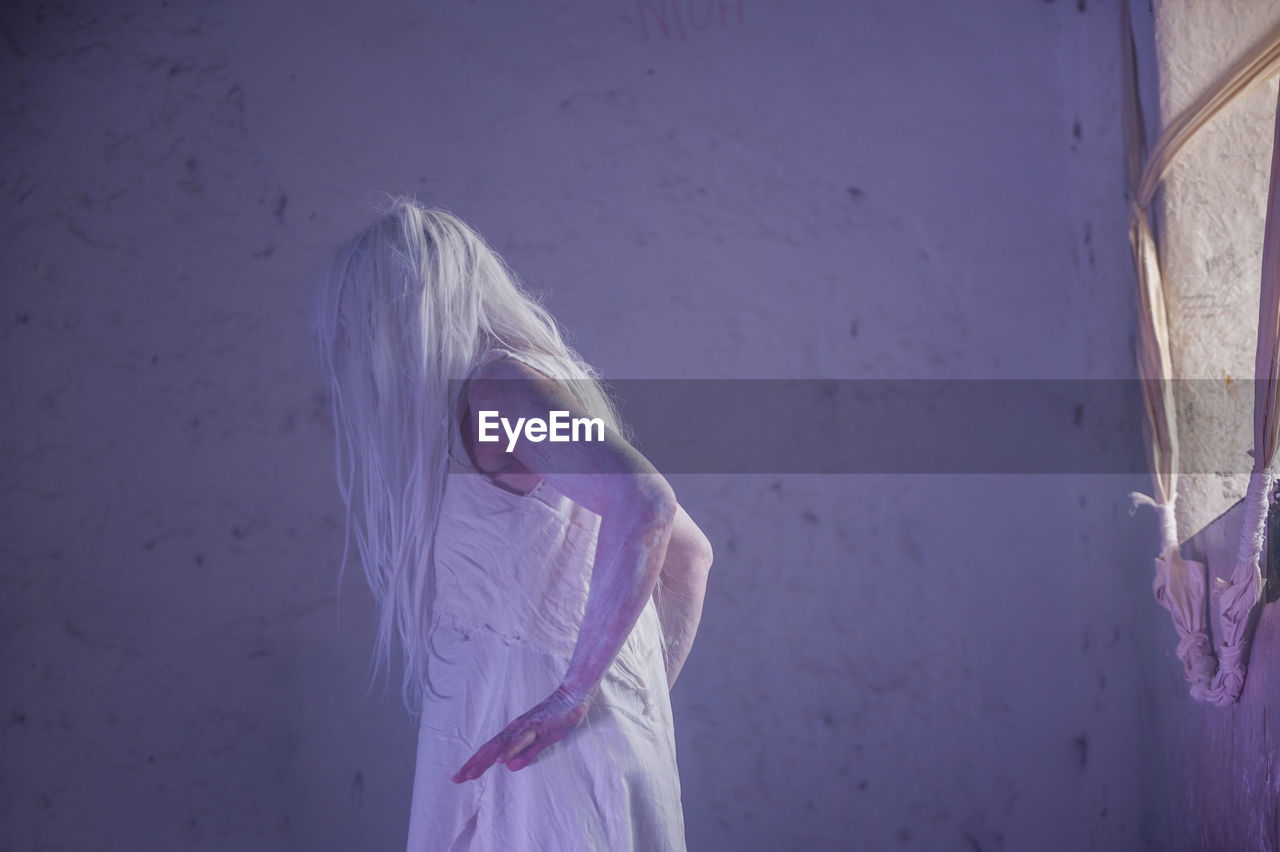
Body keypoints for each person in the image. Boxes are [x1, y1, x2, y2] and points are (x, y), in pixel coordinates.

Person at [311, 198, 713, 851]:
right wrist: (617, 699)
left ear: (405, 312)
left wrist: (581, 692)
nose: (350, 346)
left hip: (532, 748)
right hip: (542, 739)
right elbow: (690, 558)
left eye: (360, 322)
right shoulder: (500, 395)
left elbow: (645, 501)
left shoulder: (498, 393)